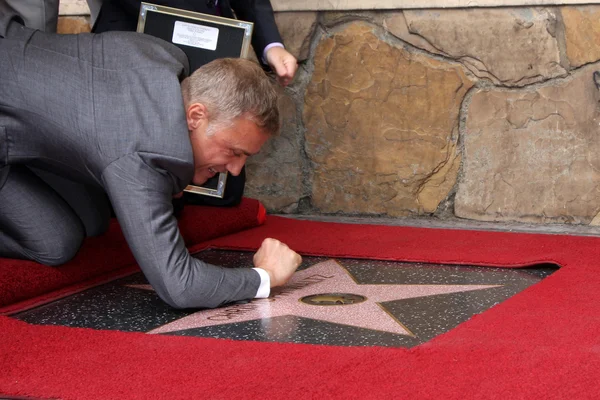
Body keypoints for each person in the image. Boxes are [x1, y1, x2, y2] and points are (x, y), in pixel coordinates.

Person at [0, 6, 302, 309]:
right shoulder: (143, 155)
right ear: (196, 115)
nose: (236, 169)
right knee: (54, 242)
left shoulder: (166, 59)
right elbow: (180, 286)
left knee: (92, 219)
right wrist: (264, 276)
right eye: (234, 152)